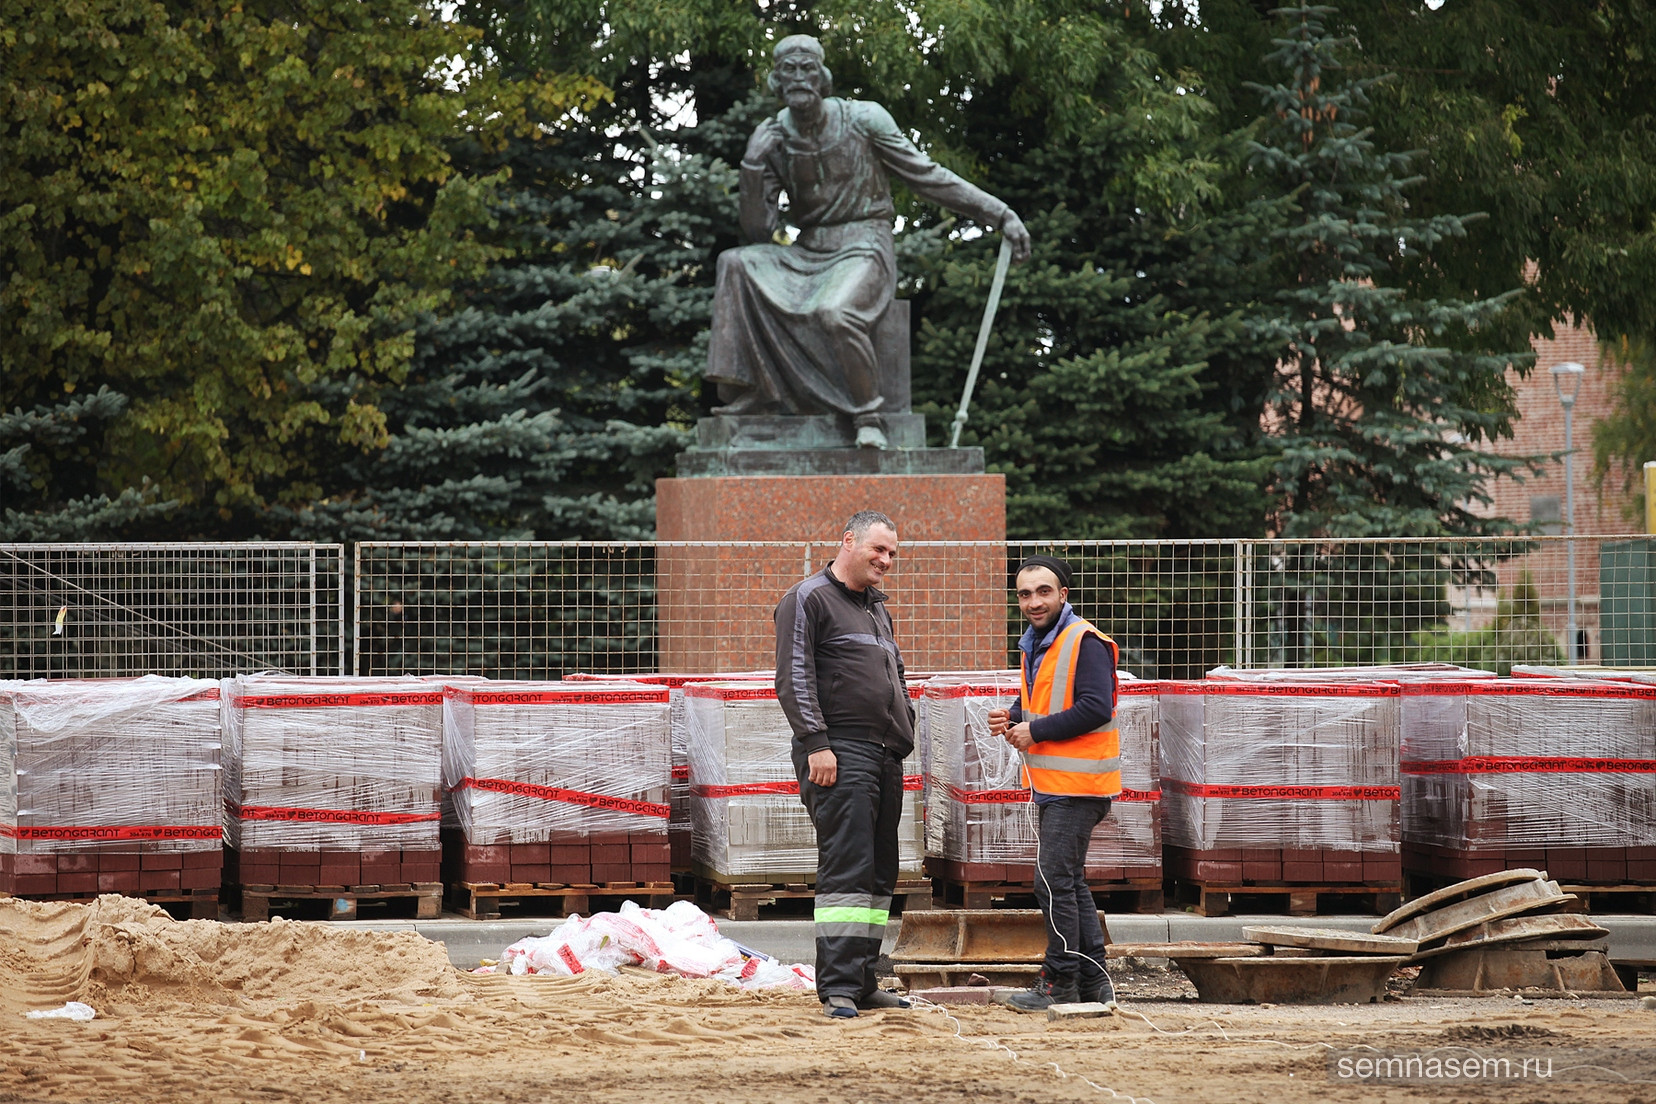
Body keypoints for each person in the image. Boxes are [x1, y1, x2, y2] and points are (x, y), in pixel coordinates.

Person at [708, 34, 1031, 448]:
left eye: (807, 68)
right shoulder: (771, 137)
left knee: (835, 311)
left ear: (822, 76)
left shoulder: (863, 118)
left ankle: (868, 417)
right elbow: (758, 232)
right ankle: (759, 394)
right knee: (735, 262)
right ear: (776, 80)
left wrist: (999, 213)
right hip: (808, 249)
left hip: (865, 243)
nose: (799, 77)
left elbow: (926, 175)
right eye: (789, 70)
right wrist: (753, 164)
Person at [774, 510, 915, 1017]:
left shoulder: (876, 608)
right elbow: (793, 676)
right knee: (848, 867)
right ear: (848, 541)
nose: (886, 560)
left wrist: (905, 725)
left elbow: (896, 673)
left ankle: (863, 980)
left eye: (892, 553)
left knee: (878, 871)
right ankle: (837, 986)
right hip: (840, 750)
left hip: (884, 754)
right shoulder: (808, 598)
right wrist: (817, 743)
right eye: (878, 549)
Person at [987, 555, 1121, 1011]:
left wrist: (1035, 731)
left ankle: (1059, 980)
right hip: (1059, 784)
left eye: (1043, 592)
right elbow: (1043, 702)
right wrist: (1013, 717)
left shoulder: (1084, 641)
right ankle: (1094, 981)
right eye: (1024, 594)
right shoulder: (1040, 643)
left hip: (1077, 786)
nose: (1033, 602)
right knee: (1068, 882)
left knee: (1052, 882)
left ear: (1063, 594)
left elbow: (1095, 707)